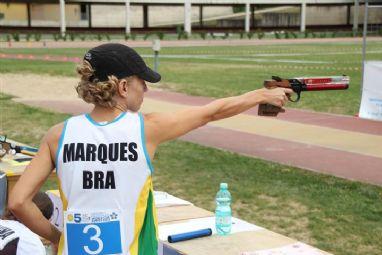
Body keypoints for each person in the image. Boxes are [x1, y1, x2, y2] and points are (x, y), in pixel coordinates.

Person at [8, 43, 292, 255]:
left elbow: (18, 202)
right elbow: (211, 112)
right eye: (141, 81)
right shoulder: (144, 129)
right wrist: (261, 95)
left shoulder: (58, 135)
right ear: (122, 86)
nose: (146, 88)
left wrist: (61, 239)